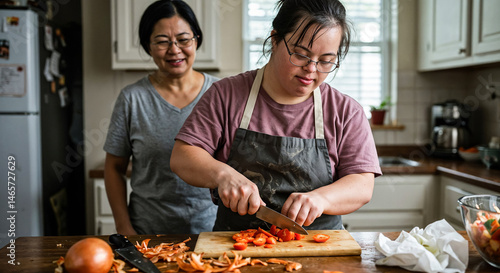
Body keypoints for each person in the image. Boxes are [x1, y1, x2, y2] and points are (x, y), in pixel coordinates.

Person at [171, 0, 382, 231]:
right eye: (301, 55)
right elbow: (183, 156)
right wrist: (222, 175)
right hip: (237, 250)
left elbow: (362, 184)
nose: (311, 69)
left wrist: (322, 199)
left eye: (325, 61)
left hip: (320, 251)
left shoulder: (346, 111)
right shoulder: (226, 95)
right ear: (275, 39)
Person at [103, 0, 218, 235]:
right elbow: (114, 167)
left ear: (197, 39)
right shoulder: (132, 99)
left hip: (212, 230)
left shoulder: (220, 94)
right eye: (162, 42)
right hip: (148, 231)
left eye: (184, 39)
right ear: (148, 45)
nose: (174, 50)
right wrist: (124, 228)